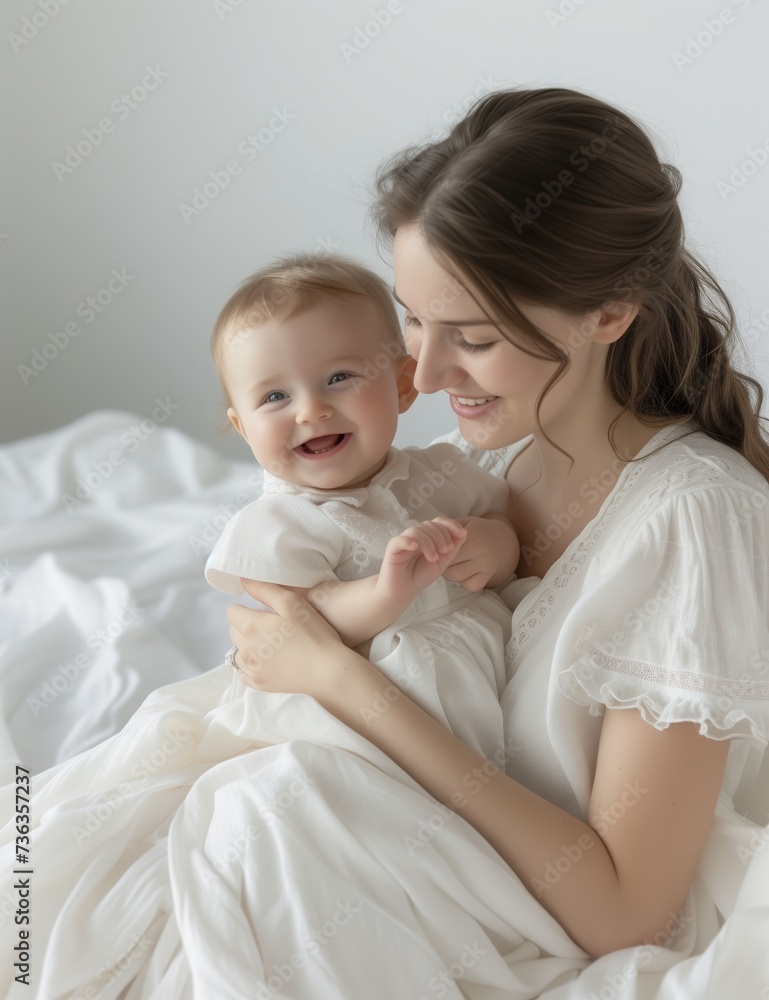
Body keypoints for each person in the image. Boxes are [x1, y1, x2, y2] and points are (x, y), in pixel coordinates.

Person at [2, 86, 769, 1000]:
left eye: (474, 339)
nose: (426, 376)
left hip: (507, 899)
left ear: (608, 313)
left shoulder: (694, 516)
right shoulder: (473, 459)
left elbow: (625, 913)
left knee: (262, 816)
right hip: (395, 844)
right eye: (412, 320)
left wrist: (337, 678)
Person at [203, 252, 522, 762]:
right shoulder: (279, 523)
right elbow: (305, 620)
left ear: (401, 384)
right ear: (242, 427)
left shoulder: (441, 470)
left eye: (338, 378)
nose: (311, 409)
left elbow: (508, 527)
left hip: (479, 688)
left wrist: (495, 546)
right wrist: (384, 593)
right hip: (351, 718)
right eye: (275, 397)